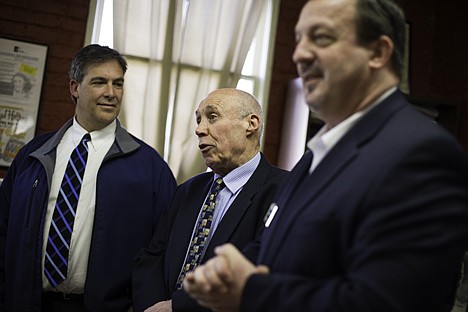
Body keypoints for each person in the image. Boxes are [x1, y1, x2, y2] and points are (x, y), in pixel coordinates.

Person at [183, 0, 468, 311]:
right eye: (299, 39)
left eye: (321, 37)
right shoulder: (316, 154)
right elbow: (274, 244)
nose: (299, 54)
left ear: (378, 53)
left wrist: (251, 291)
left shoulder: (422, 153)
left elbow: (389, 301)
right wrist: (226, 272)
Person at [0, 44, 177, 311]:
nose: (111, 93)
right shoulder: (32, 156)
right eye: (99, 82)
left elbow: (164, 252)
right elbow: (3, 230)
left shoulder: (151, 168)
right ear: (75, 88)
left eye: (118, 84)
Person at [132, 88, 288, 312]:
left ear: (251, 124)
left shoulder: (284, 191)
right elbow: (152, 258)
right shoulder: (188, 190)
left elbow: (265, 273)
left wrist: (177, 308)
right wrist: (153, 306)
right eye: (198, 120)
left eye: (212, 117)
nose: (199, 129)